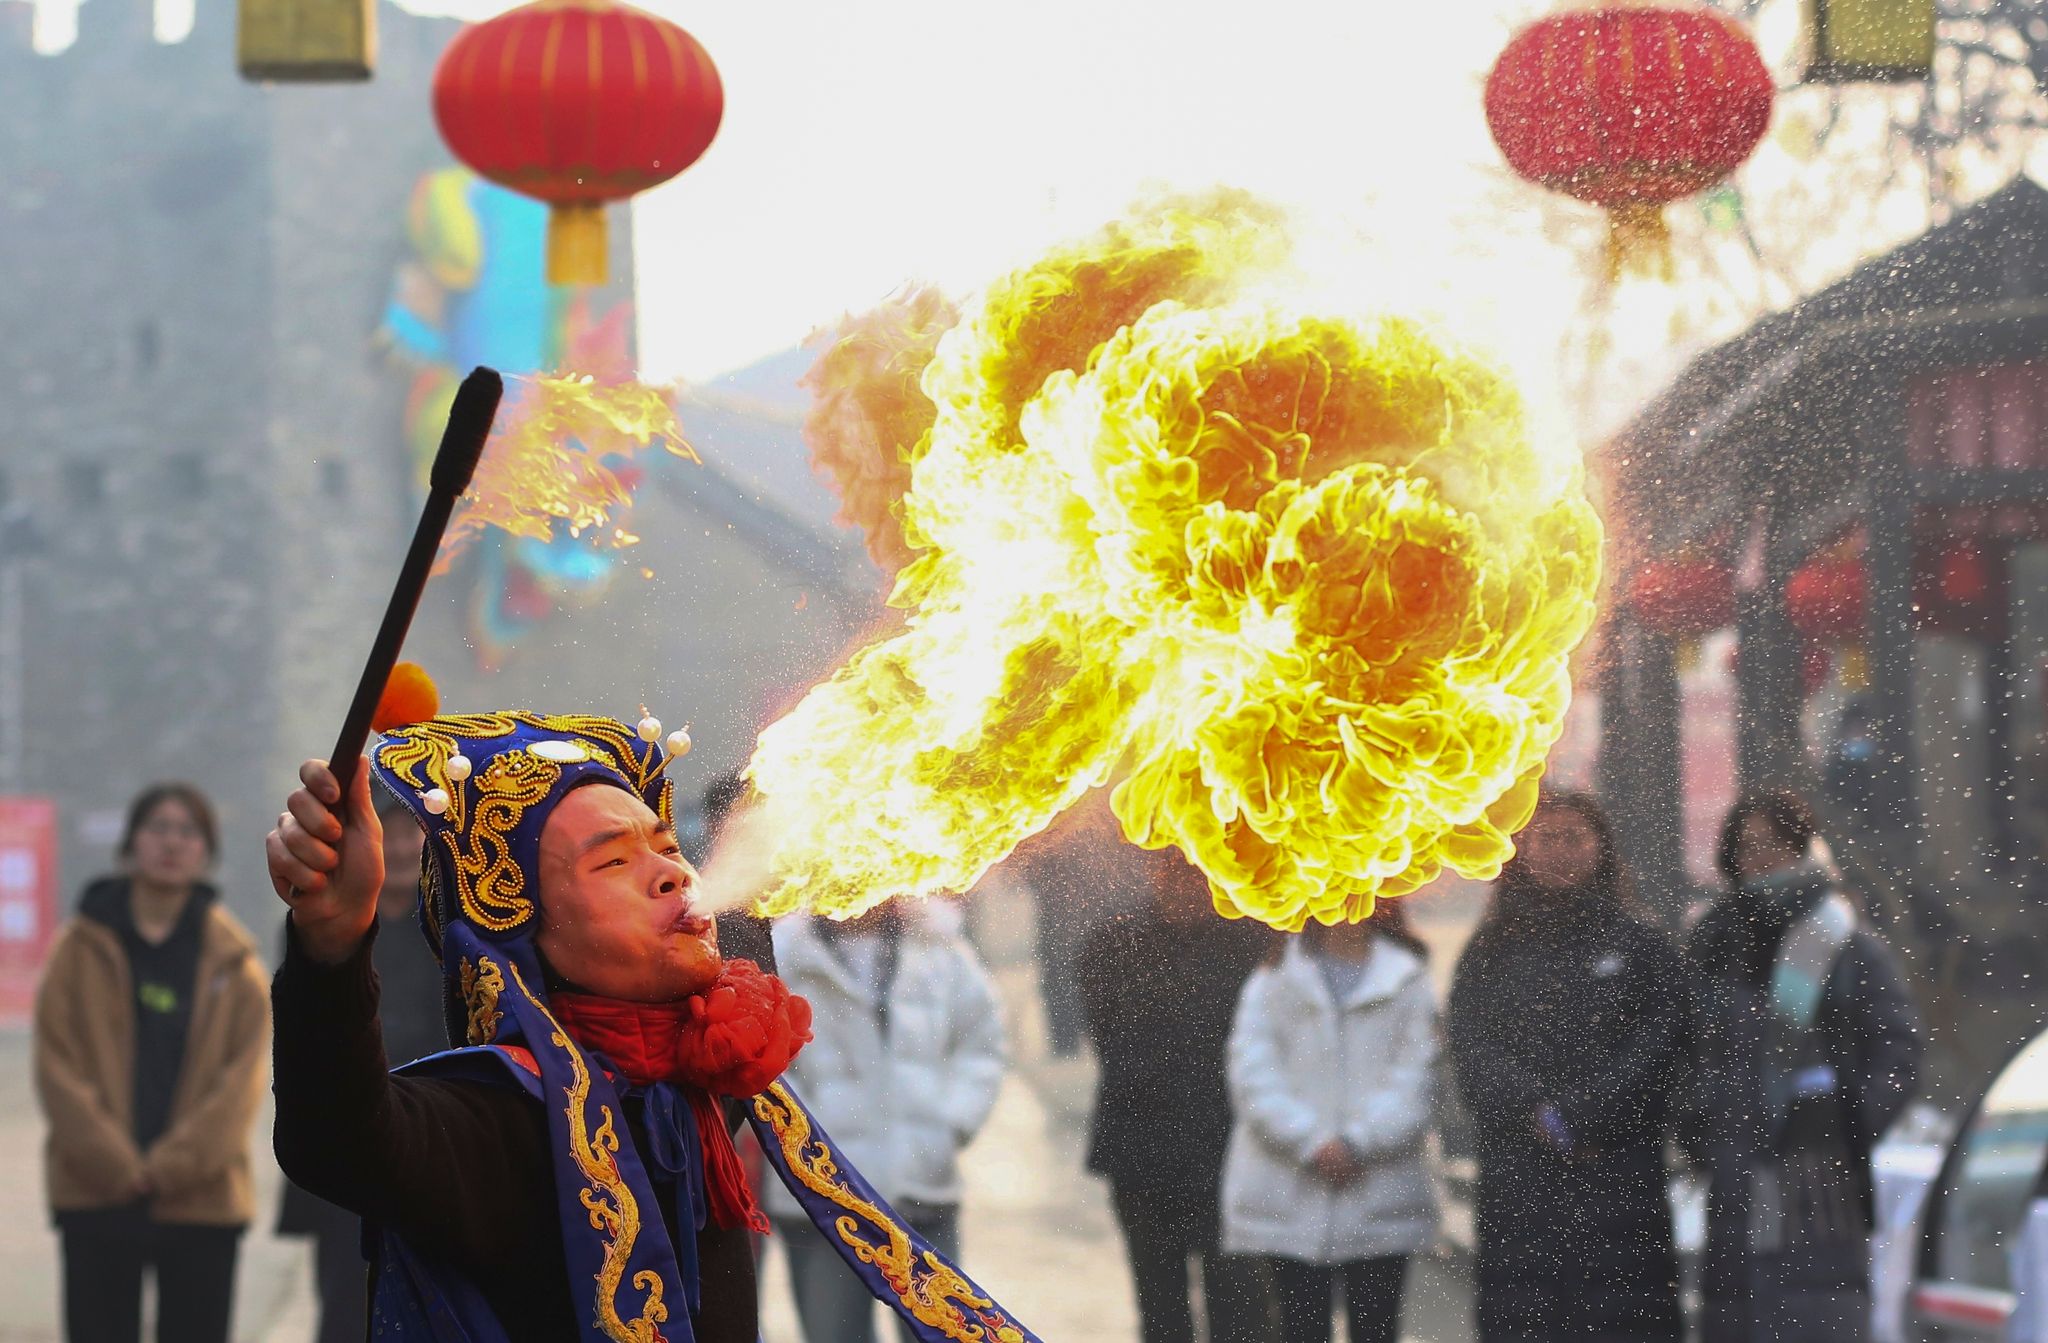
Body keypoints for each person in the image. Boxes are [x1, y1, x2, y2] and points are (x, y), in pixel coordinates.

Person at [267, 705, 1035, 1343]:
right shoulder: (500, 1114)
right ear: (531, 931)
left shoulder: (699, 1072)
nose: (671, 871)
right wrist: (331, 948)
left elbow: (738, 931)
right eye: (611, 863)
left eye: (668, 847)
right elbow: (338, 1137)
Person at [1683, 789, 1923, 1343]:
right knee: (1739, 1311)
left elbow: (1897, 1050)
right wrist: (1700, 1124)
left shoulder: (1845, 943)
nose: (1761, 858)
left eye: (1776, 843)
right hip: (1736, 1169)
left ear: (1804, 848)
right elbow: (1689, 1051)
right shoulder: (1716, 944)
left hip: (1820, 1177)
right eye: (1747, 847)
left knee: (1816, 1311)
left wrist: (1846, 1123)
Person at [34, 782, 270, 1343]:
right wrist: (117, 1162)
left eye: (188, 831)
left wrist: (170, 1166)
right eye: (158, 827)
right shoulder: (77, 949)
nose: (172, 842)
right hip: (96, 1191)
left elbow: (240, 1084)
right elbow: (56, 1065)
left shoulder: (234, 961)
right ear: (131, 842)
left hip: (202, 1198)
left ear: (205, 850)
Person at [1446, 791, 1686, 1343]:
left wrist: (1586, 1113)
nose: (1561, 851)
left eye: (1575, 837)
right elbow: (1472, 1044)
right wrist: (1535, 1111)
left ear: (1602, 848)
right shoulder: (1491, 949)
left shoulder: (1640, 944)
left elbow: (1661, 1043)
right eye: (1546, 838)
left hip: (1619, 1175)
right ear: (1522, 850)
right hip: (1521, 1181)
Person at [768, 898, 1008, 1343]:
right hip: (823, 1204)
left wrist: (949, 1123)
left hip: (922, 1193)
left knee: (938, 1335)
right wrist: (808, 1144)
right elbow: (767, 1069)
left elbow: (982, 1040)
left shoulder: (936, 943)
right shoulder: (784, 953)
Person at [1075, 845, 1275, 1343]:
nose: (1184, 885)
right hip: (1142, 1151)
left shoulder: (1249, 943)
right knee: (1160, 1306)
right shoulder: (1113, 944)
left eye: (1195, 875)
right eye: (1174, 872)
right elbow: (1113, 1041)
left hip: (1229, 1151)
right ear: (1156, 874)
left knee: (1240, 1307)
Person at [1220, 905, 1440, 1343]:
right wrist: (1312, 1142)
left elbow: (1419, 1074)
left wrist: (1360, 1142)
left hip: (1380, 1194)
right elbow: (1253, 1072)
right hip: (1289, 1192)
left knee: (1376, 1329)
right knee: (1300, 1329)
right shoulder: (1275, 976)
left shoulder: (1406, 977)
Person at [273, 786, 443, 1343]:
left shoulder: (452, 927)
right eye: (384, 833)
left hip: (434, 1139)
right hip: (347, 1138)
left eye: (408, 833)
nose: (395, 849)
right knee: (346, 1306)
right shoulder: (324, 922)